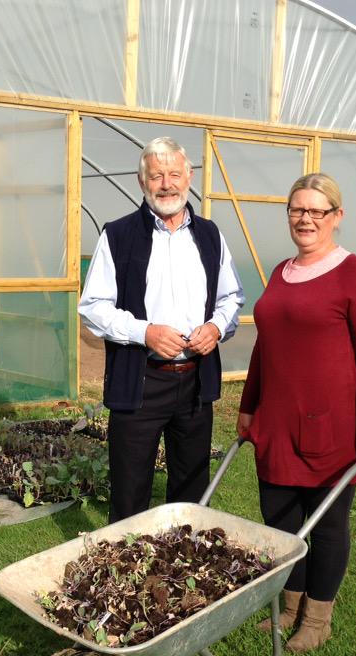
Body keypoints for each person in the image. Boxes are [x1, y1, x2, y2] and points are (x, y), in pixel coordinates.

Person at [237, 172, 356, 653]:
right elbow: (266, 346)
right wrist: (247, 408)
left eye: (316, 211)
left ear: (336, 217)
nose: (305, 219)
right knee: (280, 521)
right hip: (277, 422)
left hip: (331, 426)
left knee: (325, 526)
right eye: (297, 210)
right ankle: (289, 606)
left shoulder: (355, 276)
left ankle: (317, 618)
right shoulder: (281, 271)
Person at [79, 137, 244, 523]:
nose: (166, 184)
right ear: (142, 182)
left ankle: (182, 568)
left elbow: (232, 296)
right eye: (156, 176)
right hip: (141, 381)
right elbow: (93, 307)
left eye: (174, 174)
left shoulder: (209, 234)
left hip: (194, 381)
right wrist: (145, 333)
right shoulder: (118, 235)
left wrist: (216, 327)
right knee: (130, 487)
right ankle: (124, 570)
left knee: (191, 486)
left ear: (189, 177)